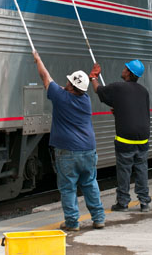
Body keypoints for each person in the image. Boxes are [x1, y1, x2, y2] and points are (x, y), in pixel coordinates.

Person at [33, 51, 105, 231]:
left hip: (67, 151)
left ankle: (73, 223)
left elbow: (45, 76)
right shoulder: (85, 100)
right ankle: (99, 218)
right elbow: (76, 87)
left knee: (68, 188)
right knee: (90, 183)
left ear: (71, 86)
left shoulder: (61, 97)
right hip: (88, 149)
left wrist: (38, 59)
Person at [89, 59, 152, 212]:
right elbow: (140, 110)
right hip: (143, 138)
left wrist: (93, 77)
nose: (123, 70)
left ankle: (123, 203)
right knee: (141, 169)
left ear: (129, 73)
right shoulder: (143, 91)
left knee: (124, 171)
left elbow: (99, 91)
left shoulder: (119, 87)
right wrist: (119, 109)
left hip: (126, 139)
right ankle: (144, 202)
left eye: (125, 68)